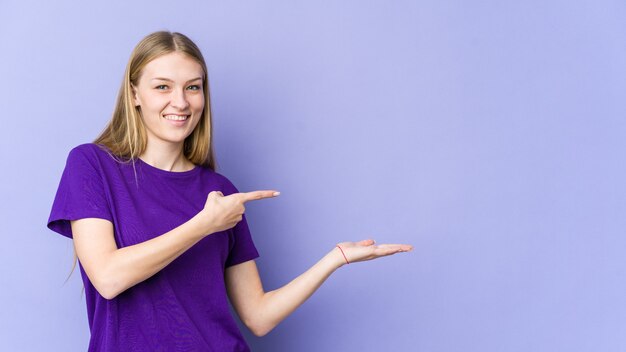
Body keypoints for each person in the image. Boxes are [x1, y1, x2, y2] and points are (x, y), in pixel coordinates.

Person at [47, 31, 413, 352]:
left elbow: (258, 316)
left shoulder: (219, 192)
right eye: (163, 86)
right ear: (134, 94)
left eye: (193, 87)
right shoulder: (91, 165)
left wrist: (335, 259)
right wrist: (204, 224)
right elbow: (109, 278)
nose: (181, 102)